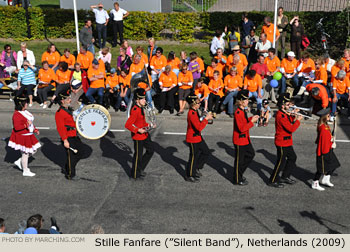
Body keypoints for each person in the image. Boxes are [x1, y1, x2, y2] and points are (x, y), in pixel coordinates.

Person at [268, 93, 302, 188]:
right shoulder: (280, 116)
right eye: (288, 104)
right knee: (280, 162)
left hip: (287, 141)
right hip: (281, 142)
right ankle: (272, 180)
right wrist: (298, 120)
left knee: (292, 158)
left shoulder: (284, 113)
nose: (289, 106)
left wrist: (293, 115)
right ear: (282, 106)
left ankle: (285, 176)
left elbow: (289, 121)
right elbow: (290, 128)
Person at [125, 88, 155, 180]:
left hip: (145, 135)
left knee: (150, 150)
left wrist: (149, 125)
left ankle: (140, 168)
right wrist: (138, 130)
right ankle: (134, 174)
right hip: (138, 137)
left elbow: (141, 122)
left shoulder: (140, 108)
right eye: (142, 99)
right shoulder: (135, 110)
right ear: (137, 100)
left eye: (144, 99)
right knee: (138, 156)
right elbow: (128, 125)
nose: (144, 100)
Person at [8, 96, 41, 177]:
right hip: (22, 136)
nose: (27, 104)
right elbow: (17, 127)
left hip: (29, 135)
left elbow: (31, 123)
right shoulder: (16, 114)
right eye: (25, 103)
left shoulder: (25, 111)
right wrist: (26, 124)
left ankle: (20, 161)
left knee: (34, 150)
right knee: (25, 154)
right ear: (21, 104)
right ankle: (25, 170)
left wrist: (35, 129)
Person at [55, 92, 84, 181]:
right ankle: (70, 174)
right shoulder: (59, 113)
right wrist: (65, 140)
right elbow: (61, 128)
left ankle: (67, 167)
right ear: (62, 101)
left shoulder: (68, 109)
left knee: (80, 153)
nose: (70, 100)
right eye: (68, 99)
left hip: (74, 135)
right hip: (68, 137)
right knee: (71, 157)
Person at [233, 90, 259, 185]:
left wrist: (251, 119)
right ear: (241, 101)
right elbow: (241, 128)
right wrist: (251, 122)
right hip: (239, 140)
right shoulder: (238, 112)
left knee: (251, 154)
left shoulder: (243, 111)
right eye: (246, 99)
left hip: (245, 139)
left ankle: (239, 173)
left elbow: (244, 122)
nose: (247, 101)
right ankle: (237, 178)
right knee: (239, 161)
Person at [184, 93, 213, 182]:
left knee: (206, 152)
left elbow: (198, 122)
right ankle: (189, 174)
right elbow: (198, 127)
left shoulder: (195, 111)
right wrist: (206, 119)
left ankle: (196, 167)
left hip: (198, 137)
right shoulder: (191, 113)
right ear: (193, 104)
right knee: (193, 157)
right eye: (198, 102)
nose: (199, 104)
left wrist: (204, 117)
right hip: (192, 138)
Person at [312, 108, 341, 191]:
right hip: (324, 151)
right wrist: (331, 144)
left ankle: (325, 179)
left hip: (328, 149)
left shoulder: (325, 125)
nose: (329, 116)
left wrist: (331, 138)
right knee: (321, 169)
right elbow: (323, 142)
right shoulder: (323, 129)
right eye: (328, 115)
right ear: (325, 117)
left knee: (334, 164)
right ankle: (315, 182)